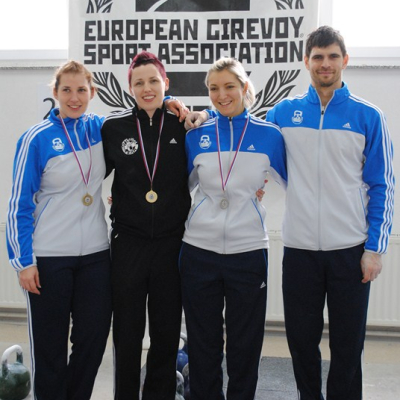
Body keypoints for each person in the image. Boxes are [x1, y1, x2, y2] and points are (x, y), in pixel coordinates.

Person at [265, 26, 395, 399]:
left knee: (348, 346)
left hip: (349, 251)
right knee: (301, 342)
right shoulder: (283, 113)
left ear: (345, 60)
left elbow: (382, 185)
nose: (326, 64)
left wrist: (374, 249)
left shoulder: (368, 116)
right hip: (300, 250)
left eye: (333, 56)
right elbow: (247, 137)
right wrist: (193, 114)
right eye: (318, 57)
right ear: (306, 61)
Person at [180, 57, 287, 400]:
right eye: (214, 88)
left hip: (248, 251)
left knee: (245, 343)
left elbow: (296, 185)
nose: (221, 94)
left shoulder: (269, 135)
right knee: (203, 342)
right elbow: (177, 190)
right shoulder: (196, 135)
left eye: (229, 86)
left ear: (244, 87)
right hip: (199, 250)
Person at [6, 60, 113, 400]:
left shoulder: (101, 129)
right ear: (55, 92)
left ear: (92, 92)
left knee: (93, 338)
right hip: (49, 257)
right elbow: (19, 204)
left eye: (81, 90)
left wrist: (172, 103)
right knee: (49, 346)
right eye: (66, 90)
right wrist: (23, 261)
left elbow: (138, 122)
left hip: (96, 256)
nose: (74, 97)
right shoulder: (36, 138)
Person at [101, 51, 191, 400]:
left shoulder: (183, 124)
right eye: (139, 82)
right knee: (127, 334)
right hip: (129, 245)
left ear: (166, 83)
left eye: (154, 80)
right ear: (130, 88)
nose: (147, 88)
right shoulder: (114, 128)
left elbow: (214, 129)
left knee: (166, 335)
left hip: (171, 245)